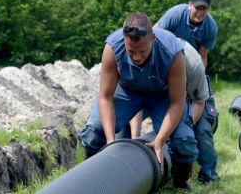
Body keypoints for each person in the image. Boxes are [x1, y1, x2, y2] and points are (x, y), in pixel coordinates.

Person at [79, 12, 198, 190]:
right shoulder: (113, 47)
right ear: (124, 40)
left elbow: (177, 104)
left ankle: (180, 181)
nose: (136, 57)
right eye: (131, 51)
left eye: (142, 51)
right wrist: (110, 142)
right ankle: (90, 178)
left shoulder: (172, 52)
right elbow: (105, 97)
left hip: (161, 96)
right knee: (93, 131)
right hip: (127, 92)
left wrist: (159, 140)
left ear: (153, 39)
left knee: (183, 141)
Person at [154, 0, 220, 184]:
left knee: (203, 129)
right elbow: (154, 35)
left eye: (204, 9)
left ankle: (208, 173)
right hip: (168, 73)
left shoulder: (210, 27)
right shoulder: (175, 15)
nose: (200, 12)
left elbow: (203, 58)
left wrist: (194, 87)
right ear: (189, 5)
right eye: (197, 7)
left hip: (194, 74)